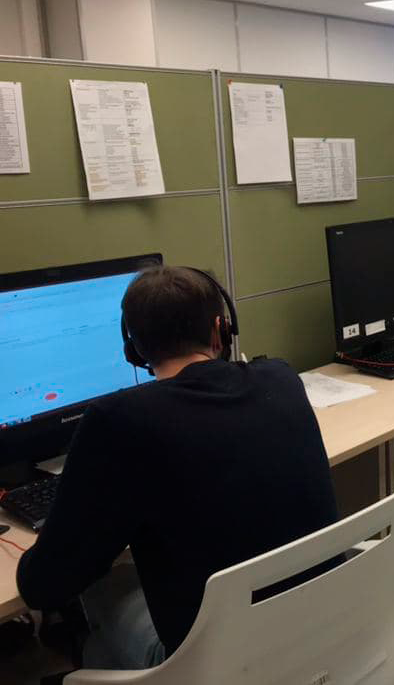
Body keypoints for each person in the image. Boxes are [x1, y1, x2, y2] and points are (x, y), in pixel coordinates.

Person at [17, 266, 339, 670]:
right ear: (221, 330)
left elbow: (44, 586)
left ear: (133, 348)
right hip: (322, 628)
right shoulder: (282, 378)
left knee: (97, 594)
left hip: (210, 665)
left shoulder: (119, 422)